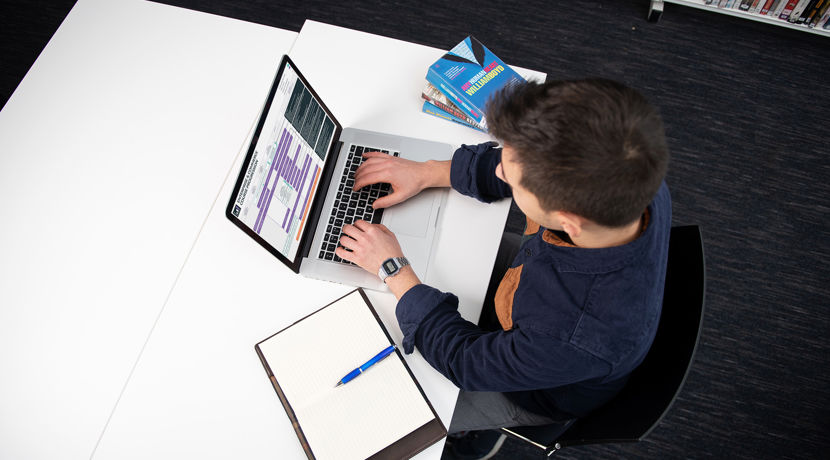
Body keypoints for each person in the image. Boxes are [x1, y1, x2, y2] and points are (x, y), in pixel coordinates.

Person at [335, 78, 671, 460]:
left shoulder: (576, 333)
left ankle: (478, 436)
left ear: (567, 220)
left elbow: (465, 363)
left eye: (511, 178)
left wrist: (393, 269)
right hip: (537, 293)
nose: (500, 172)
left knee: (381, 414)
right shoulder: (631, 172)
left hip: (530, 388)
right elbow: (519, 161)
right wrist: (428, 172)